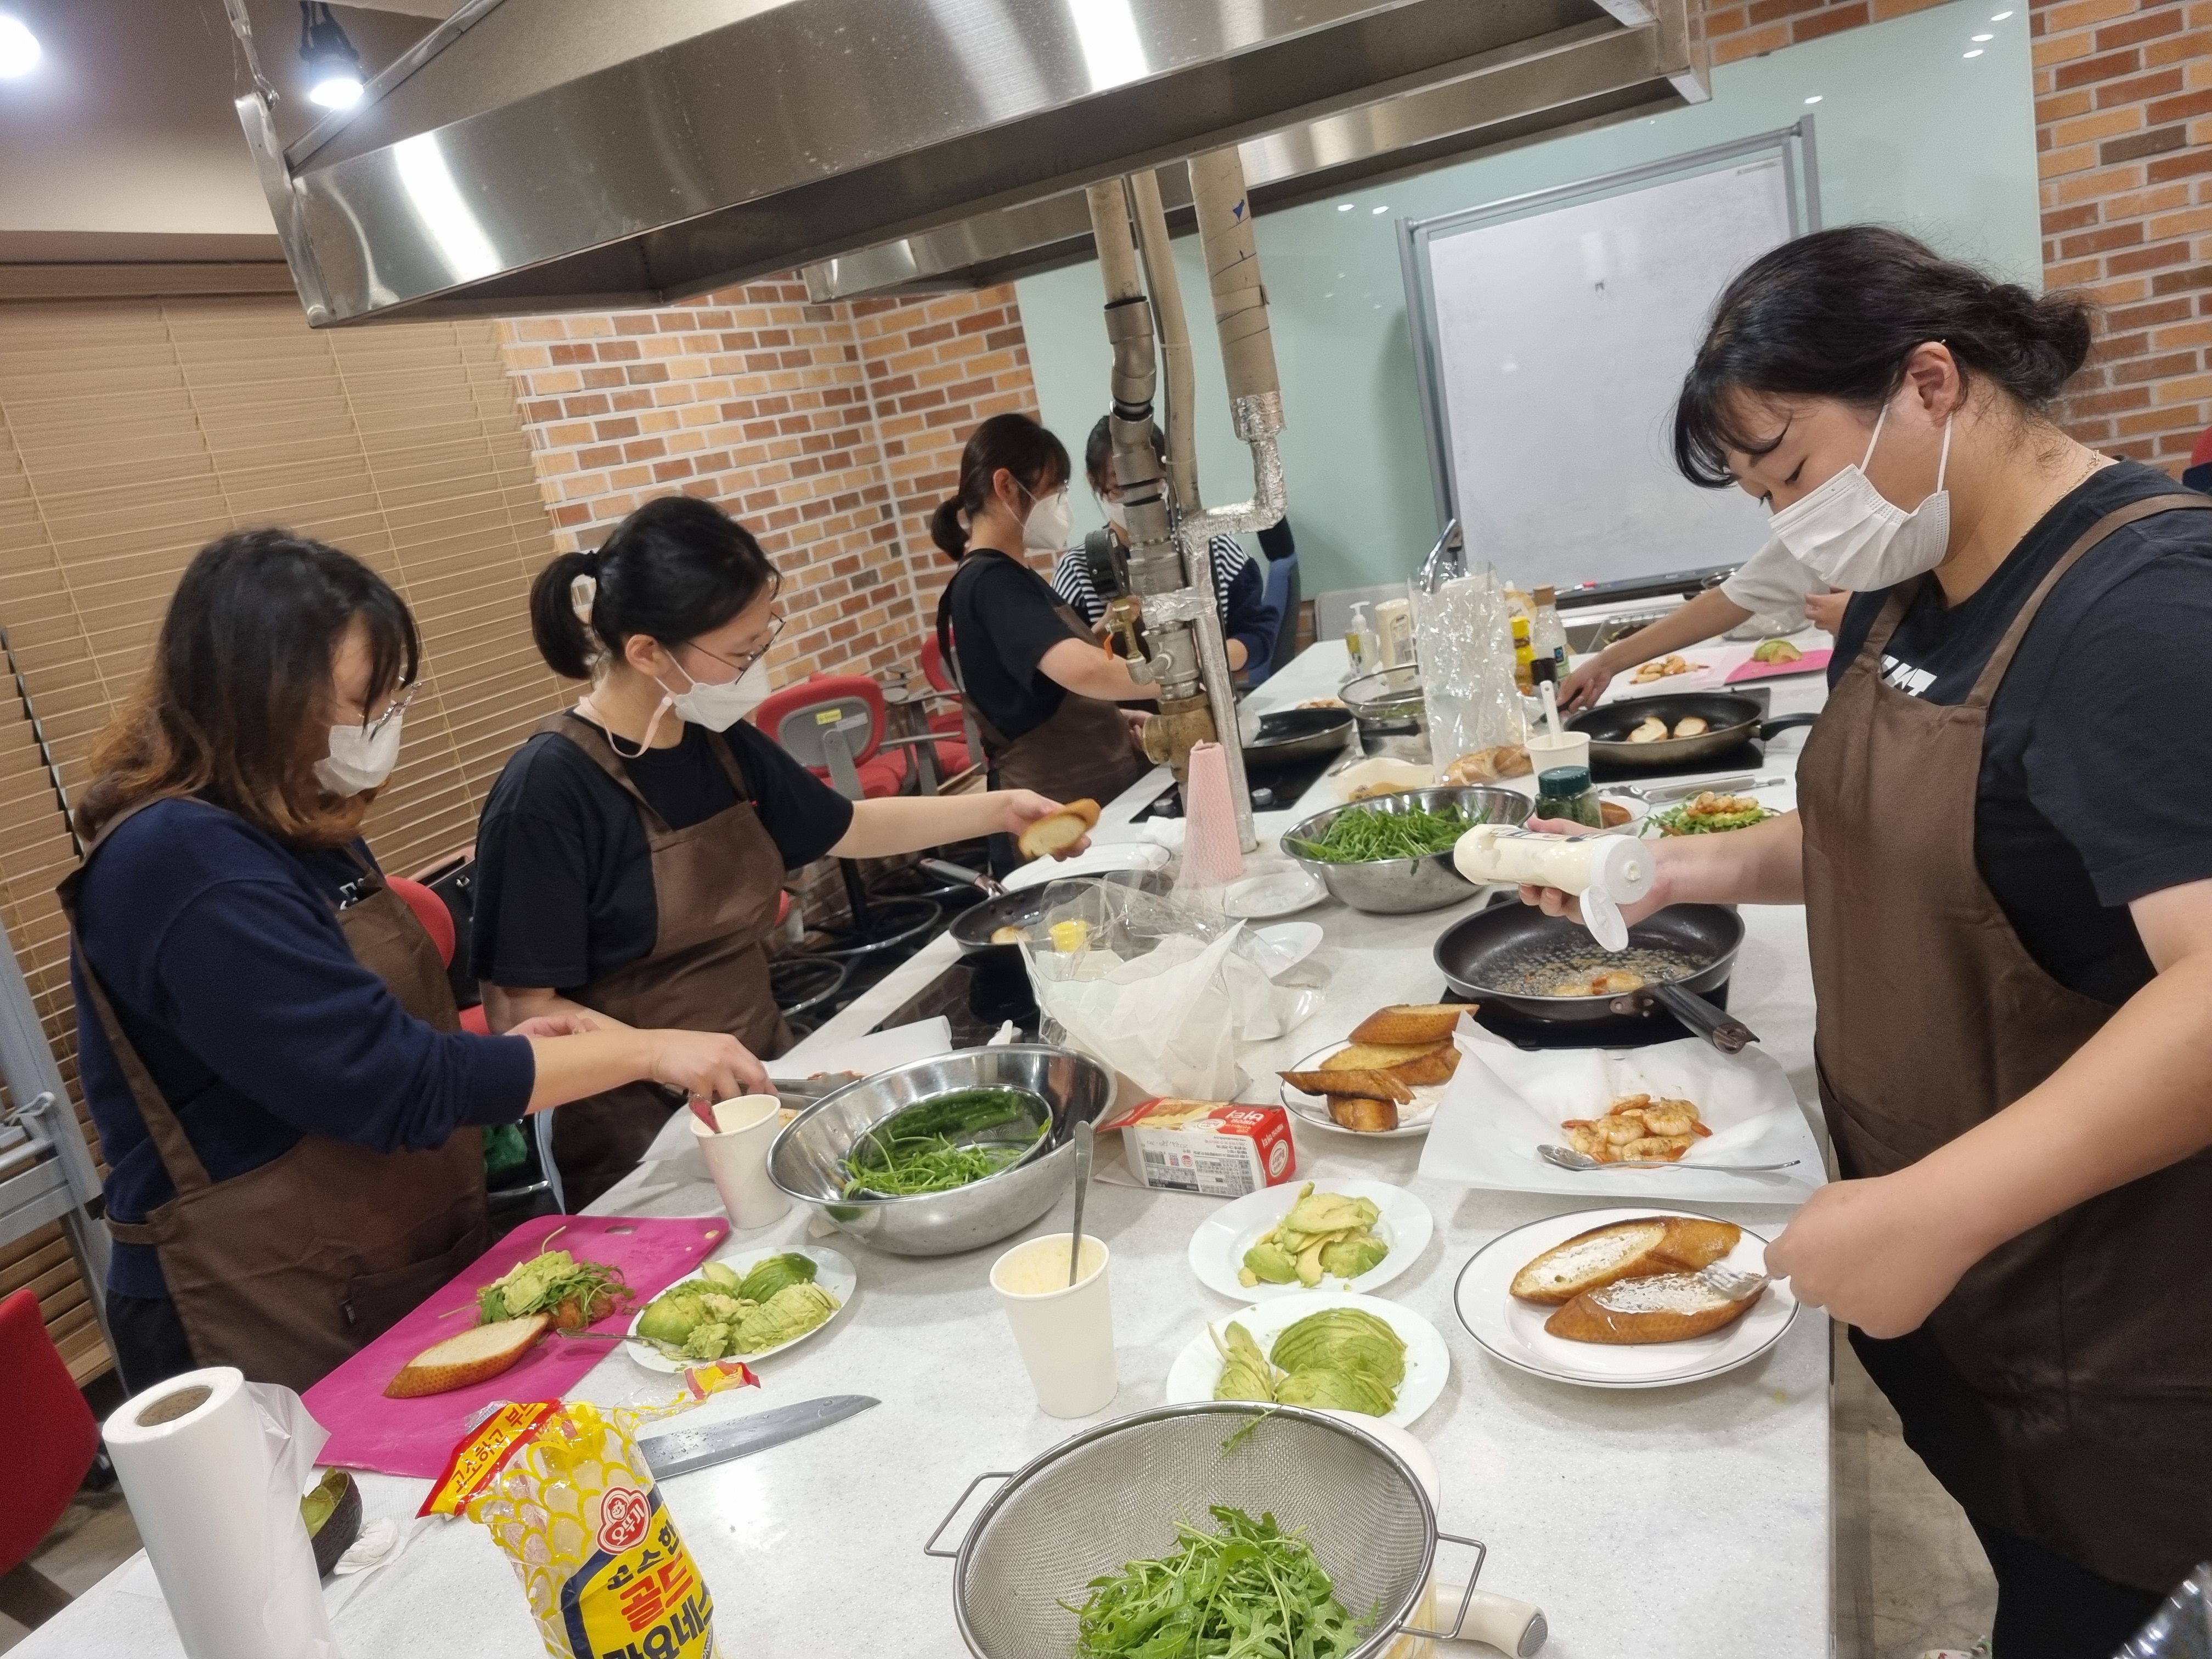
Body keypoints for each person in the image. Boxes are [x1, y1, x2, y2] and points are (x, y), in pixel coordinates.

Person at [1523, 225, 2212, 1656]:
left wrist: (1935, 1211)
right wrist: (1661, 869)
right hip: (1972, 1296)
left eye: (1790, 471)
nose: (1791, 521)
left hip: (2110, 1326)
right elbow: (1881, 836)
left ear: (1931, 383)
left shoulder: (2139, 612)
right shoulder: (1915, 577)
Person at [67, 532, 754, 1396]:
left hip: (380, 1247)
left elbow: (352, 1035)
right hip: (255, 1301)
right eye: (367, 698)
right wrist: (647, 1050)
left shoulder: (299, 823)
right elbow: (389, 1082)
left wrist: (515, 1054)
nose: (385, 719)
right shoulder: (180, 861)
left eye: (395, 695)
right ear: (260, 691)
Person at [471, 494, 1085, 1209]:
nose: (753, 673)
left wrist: (999, 808)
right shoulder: (546, 791)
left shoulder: (717, 743)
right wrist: (661, 1055)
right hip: (634, 1138)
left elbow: (848, 827)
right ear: (646, 652)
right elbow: (522, 1011)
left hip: (763, 1078)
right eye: (740, 655)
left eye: (759, 646)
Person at [933, 413, 1161, 806]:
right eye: (1055, 488)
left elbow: (1038, 695)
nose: (1062, 502)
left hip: (1092, 785)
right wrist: (1179, 676)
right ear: (1006, 486)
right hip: (1055, 801)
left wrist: (1114, 718)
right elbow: (1083, 670)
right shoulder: (990, 583)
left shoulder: (1014, 577)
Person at [1052, 415, 1285, 676]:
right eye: (1120, 487)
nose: (1138, 499)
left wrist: (1206, 657)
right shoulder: (1077, 569)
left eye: (1153, 482)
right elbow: (1060, 668)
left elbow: (1259, 634)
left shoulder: (1212, 548)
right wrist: (1107, 626)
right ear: (1094, 481)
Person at [1555, 539, 1847, 711]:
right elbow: (1731, 599)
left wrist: (1860, 612)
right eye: (1766, 496)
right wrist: (1606, 663)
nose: (1781, 508)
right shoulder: (1808, 536)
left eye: (1793, 476)